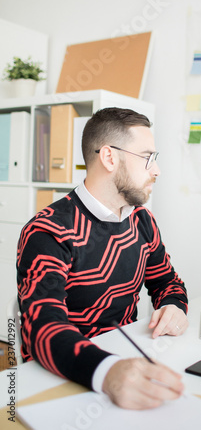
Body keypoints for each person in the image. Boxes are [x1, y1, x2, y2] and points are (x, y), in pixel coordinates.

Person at [17, 107, 188, 410]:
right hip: (67, 376)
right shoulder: (48, 231)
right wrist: (108, 372)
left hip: (126, 357)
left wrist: (173, 305)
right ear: (109, 157)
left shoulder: (142, 222)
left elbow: (168, 282)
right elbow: (43, 327)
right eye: (147, 158)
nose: (156, 170)